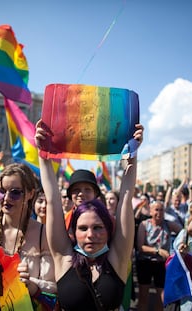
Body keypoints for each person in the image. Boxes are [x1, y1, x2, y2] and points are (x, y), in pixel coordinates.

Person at [36, 121, 144, 311]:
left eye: (98, 227)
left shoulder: (117, 257)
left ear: (108, 228)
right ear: (73, 231)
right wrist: (44, 155)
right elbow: (52, 199)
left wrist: (132, 156)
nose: (90, 234)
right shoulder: (64, 257)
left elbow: (126, 199)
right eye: (83, 228)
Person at [0, 163, 56, 310]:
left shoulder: (43, 234)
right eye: (1, 191)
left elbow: (52, 288)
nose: (6, 198)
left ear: (30, 194)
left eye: (15, 192)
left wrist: (30, 285)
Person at [136, 200, 182, 311]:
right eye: (156, 209)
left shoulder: (167, 224)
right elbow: (140, 247)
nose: (159, 212)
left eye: (161, 210)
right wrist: (158, 251)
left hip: (162, 264)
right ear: (151, 211)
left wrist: (180, 244)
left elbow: (184, 231)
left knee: (162, 297)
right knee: (143, 296)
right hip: (145, 262)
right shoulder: (144, 225)